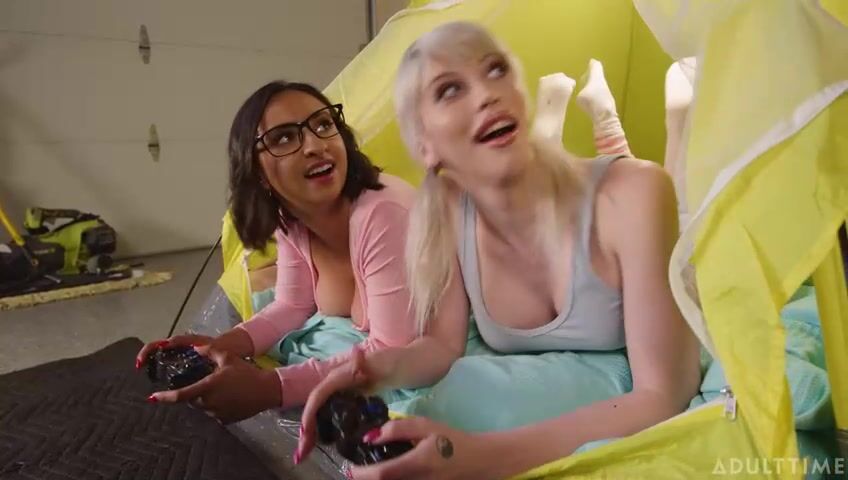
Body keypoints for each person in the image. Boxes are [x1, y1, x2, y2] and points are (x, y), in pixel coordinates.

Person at [296, 21, 701, 480]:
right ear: (425, 146)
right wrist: (374, 370)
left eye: (496, 69)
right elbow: (440, 346)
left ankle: (670, 117)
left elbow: (663, 394)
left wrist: (480, 456)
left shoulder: (635, 191)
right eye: (450, 90)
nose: (488, 94)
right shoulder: (448, 212)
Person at [135, 80, 429, 425]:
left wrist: (269, 387)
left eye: (324, 124)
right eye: (284, 138)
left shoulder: (384, 212)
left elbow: (392, 351)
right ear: (257, 171)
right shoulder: (292, 217)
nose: (316, 146)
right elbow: (292, 304)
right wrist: (219, 347)